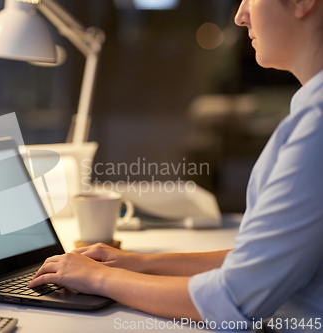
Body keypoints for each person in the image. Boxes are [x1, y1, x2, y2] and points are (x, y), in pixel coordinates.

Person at [29, 0, 323, 330]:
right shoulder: (310, 113)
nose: (240, 16)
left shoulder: (317, 127)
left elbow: (232, 297)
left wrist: (99, 280)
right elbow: (258, 263)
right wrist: (137, 264)